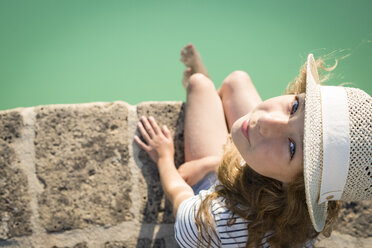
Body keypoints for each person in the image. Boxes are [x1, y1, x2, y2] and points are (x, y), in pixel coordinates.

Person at [134, 44, 372, 247]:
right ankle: (216, 101)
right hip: (262, 166)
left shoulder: (214, 222)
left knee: (199, 84)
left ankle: (204, 84)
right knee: (238, 80)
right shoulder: (304, 215)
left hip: (220, 191)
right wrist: (213, 162)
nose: (267, 121)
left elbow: (180, 199)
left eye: (292, 147)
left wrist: (164, 157)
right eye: (295, 107)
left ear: (296, 187)